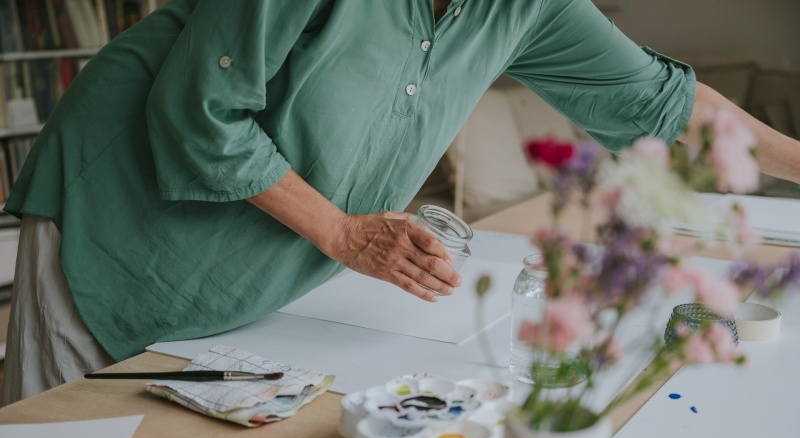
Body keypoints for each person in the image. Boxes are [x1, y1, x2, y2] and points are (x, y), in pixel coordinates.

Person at [3, 0, 799, 405]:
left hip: (254, 269)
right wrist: (345, 233)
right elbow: (198, 111)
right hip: (111, 213)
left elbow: (662, 101)